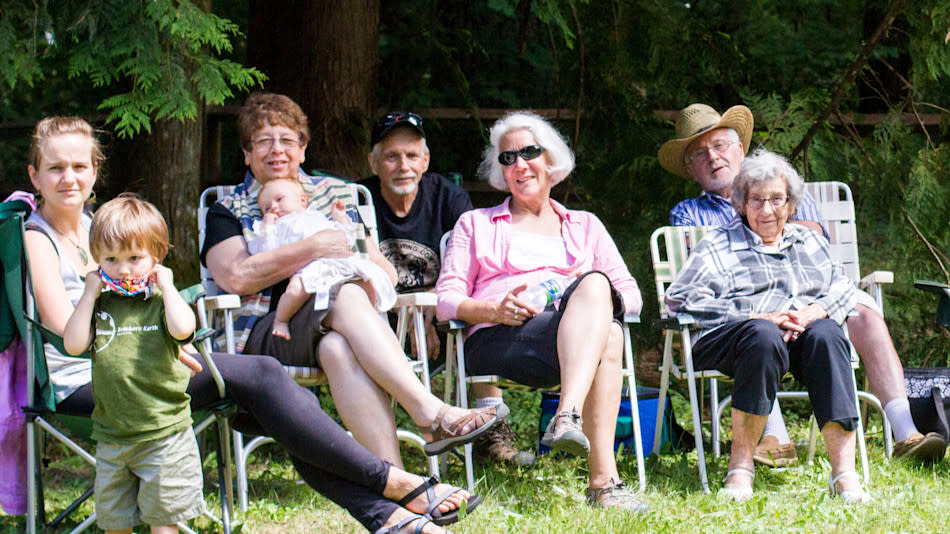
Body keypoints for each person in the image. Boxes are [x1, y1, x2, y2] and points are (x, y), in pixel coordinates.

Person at [25, 115, 480, 533]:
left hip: (145, 370)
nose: (69, 178)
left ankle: (389, 516)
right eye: (56, 168)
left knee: (277, 404)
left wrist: (162, 336)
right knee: (263, 376)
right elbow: (67, 334)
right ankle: (397, 484)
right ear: (34, 176)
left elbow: (138, 308)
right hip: (92, 382)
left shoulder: (102, 229)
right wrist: (150, 339)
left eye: (79, 166)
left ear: (95, 171)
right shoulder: (38, 237)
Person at [201, 93, 506, 468]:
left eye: (287, 140)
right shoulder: (229, 208)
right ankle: (431, 413)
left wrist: (354, 251)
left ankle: (393, 480)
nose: (277, 150)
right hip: (269, 332)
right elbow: (236, 277)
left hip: (337, 327)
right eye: (264, 141)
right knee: (344, 296)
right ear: (247, 154)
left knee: (338, 347)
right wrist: (313, 247)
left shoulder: (336, 196)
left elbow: (384, 271)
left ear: (303, 149)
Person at [659, 102, 947, 465]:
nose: (713, 157)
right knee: (761, 332)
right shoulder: (688, 213)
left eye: (719, 146)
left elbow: (809, 245)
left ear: (739, 149)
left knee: (864, 312)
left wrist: (808, 305)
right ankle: (774, 436)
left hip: (810, 292)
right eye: (700, 154)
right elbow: (713, 267)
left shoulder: (789, 189)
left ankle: (906, 432)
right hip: (746, 306)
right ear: (690, 169)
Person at [436, 111, 648, 511]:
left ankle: (572, 426)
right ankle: (603, 481)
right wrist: (494, 309)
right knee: (608, 331)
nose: (519, 164)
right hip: (500, 338)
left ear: (551, 160)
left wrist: (586, 295)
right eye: (507, 158)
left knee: (603, 307)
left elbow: (631, 294)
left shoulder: (585, 225)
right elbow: (446, 301)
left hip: (572, 339)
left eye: (529, 152)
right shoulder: (475, 224)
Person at [664, 149, 872, 504]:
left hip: (797, 333)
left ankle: (844, 474)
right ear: (742, 203)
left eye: (776, 199)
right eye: (757, 200)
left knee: (827, 335)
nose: (767, 210)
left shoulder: (808, 241)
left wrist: (814, 311)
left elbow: (843, 287)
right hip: (732, 337)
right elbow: (681, 299)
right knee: (762, 335)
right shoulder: (719, 243)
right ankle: (740, 468)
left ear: (790, 204)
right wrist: (757, 315)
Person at [360, 111, 535, 467]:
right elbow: (355, 271)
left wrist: (429, 309)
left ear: (425, 160)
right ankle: (373, 440)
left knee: (482, 305)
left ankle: (490, 433)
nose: (403, 166)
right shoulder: (359, 201)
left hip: (440, 313)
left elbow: (473, 269)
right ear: (373, 163)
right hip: (379, 315)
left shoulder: (448, 197)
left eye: (412, 155)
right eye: (391, 157)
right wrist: (408, 311)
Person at [62, 194, 203, 533]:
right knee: (116, 522)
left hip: (164, 432)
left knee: (164, 521)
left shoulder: (160, 301)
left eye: (135, 258)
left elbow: (184, 330)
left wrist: (168, 288)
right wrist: (89, 293)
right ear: (97, 259)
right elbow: (73, 344)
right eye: (111, 259)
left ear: (156, 256)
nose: (123, 269)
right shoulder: (100, 303)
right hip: (113, 435)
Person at [249, 178, 396, 339]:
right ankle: (281, 320)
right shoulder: (278, 228)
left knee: (369, 278)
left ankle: (375, 315)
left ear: (302, 200)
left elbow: (345, 239)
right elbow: (266, 253)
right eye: (267, 208)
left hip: (337, 263)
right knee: (294, 291)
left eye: (279, 199)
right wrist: (267, 227)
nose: (273, 207)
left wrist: (340, 219)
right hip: (306, 269)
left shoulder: (315, 216)